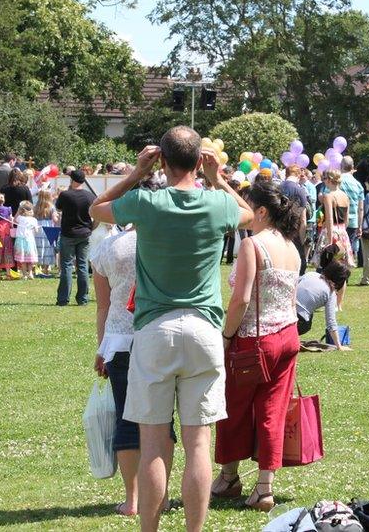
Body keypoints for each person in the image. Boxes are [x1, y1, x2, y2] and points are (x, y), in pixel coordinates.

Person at [89, 126, 253, 532]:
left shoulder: (146, 202)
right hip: (203, 329)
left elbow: (96, 209)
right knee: (199, 444)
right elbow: (249, 215)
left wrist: (133, 174)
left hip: (154, 329)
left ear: (160, 160)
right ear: (200, 161)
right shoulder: (217, 204)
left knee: (153, 444)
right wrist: (218, 179)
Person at [213, 181, 302, 512]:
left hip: (254, 338)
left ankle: (228, 476)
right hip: (288, 335)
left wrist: (225, 336)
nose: (243, 213)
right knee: (272, 412)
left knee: (232, 409)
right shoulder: (291, 246)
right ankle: (264, 487)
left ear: (262, 212)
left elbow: (241, 299)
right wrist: (219, 180)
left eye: (248, 207)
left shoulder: (252, 246)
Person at [90, 225, 177, 517]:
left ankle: (133, 499)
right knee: (163, 419)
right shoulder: (168, 240)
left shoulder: (108, 247)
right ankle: (161, 497)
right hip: (161, 336)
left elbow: (103, 306)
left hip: (120, 338)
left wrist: (102, 347)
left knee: (127, 419)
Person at [55, 170, 94, 306]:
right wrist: (91, 228)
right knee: (82, 266)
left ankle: (63, 299)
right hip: (84, 233)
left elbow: (58, 208)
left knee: (66, 266)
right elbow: (96, 214)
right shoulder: (90, 196)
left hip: (68, 233)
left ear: (72, 180)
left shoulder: (65, 195)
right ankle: (83, 298)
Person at [295, 260, 351, 350]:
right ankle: (289, 337)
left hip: (285, 310)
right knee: (306, 325)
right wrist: (339, 346)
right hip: (299, 319)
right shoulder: (330, 293)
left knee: (309, 315)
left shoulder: (311, 274)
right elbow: (331, 321)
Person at [316, 170, 356, 268]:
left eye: (325, 178)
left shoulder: (328, 196)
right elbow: (346, 220)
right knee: (341, 264)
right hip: (342, 232)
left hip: (330, 232)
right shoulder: (345, 196)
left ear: (330, 179)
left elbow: (329, 219)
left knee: (326, 264)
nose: (324, 181)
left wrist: (329, 241)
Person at [340, 156, 365, 261]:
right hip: (353, 221)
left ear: (341, 166)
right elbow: (361, 208)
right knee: (348, 249)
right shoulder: (358, 185)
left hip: (339, 219)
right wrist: (360, 225)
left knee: (338, 250)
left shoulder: (337, 181)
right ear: (352, 167)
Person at [34, 188, 59, 276]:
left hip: (38, 228)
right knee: (48, 247)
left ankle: (36, 267)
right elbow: (55, 220)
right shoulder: (51, 207)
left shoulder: (35, 207)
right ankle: (46, 269)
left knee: (38, 247)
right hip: (48, 227)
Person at [13, 201, 39, 280]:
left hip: (21, 240)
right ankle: (30, 273)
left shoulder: (20, 218)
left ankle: (24, 274)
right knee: (30, 257)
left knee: (23, 258)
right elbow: (36, 231)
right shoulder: (34, 220)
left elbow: (14, 220)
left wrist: (18, 210)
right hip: (30, 240)